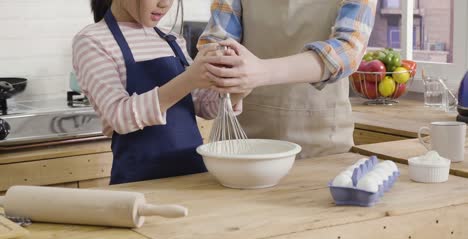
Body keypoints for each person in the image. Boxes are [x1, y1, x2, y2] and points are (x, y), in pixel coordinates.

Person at [72, 0, 242, 184]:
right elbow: (118, 116)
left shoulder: (171, 39)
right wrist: (189, 79)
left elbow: (203, 106)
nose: (164, 4)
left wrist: (239, 85)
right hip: (138, 185)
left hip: (195, 179)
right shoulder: (92, 41)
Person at [199, 0, 377, 159]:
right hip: (241, 144)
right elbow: (214, 45)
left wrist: (262, 71)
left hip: (322, 147)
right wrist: (222, 62)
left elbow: (348, 51)